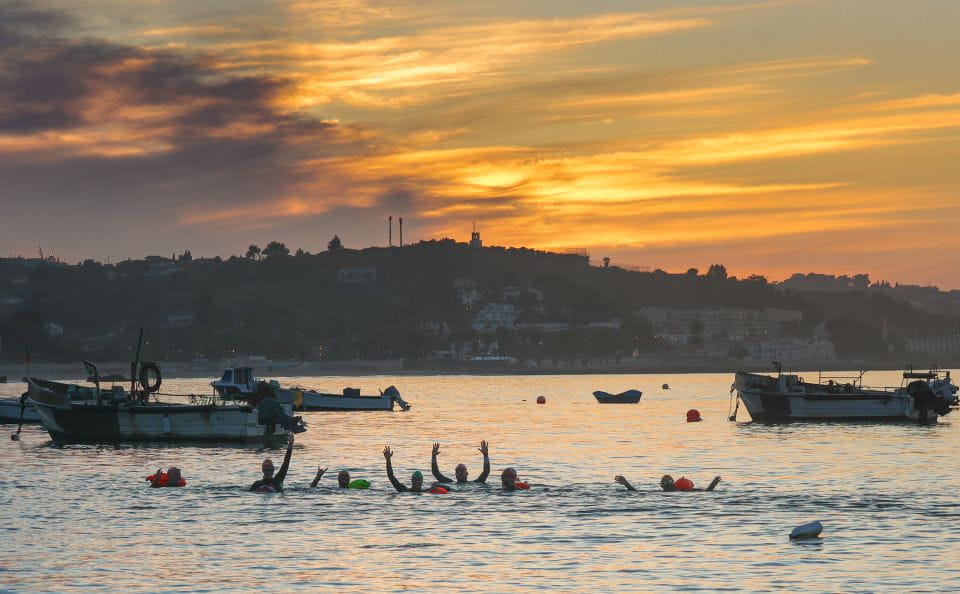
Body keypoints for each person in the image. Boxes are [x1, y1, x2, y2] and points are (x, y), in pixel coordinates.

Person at [614, 474, 721, 492]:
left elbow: (636, 493)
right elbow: (707, 492)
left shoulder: (684, 491)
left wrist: (712, 485)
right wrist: (626, 483)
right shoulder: (685, 492)